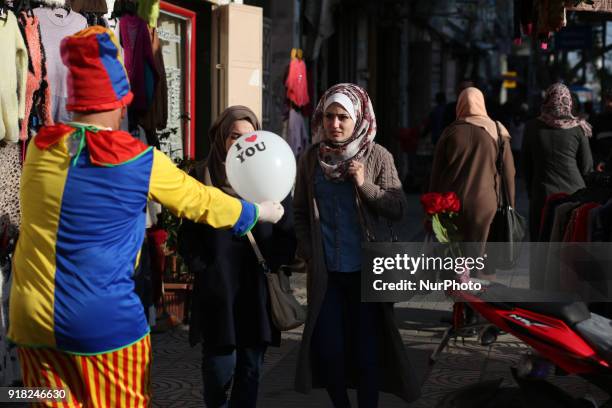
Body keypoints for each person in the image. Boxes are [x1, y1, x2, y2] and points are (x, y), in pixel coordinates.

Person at [8, 27, 284, 407]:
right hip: (105, 325)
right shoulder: (138, 158)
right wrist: (258, 211)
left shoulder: (40, 147)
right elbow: (201, 200)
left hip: (31, 321)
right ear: (120, 102)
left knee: (46, 399)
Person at [293, 83, 421, 407]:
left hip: (367, 274)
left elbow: (398, 207)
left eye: (342, 118)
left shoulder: (378, 156)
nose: (334, 125)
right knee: (330, 351)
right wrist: (309, 252)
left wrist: (364, 184)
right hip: (328, 275)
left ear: (359, 119)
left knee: (368, 354)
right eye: (328, 117)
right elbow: (299, 212)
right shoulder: (311, 159)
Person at [178, 106, 296, 408]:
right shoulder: (202, 176)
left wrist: (275, 262)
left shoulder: (270, 173)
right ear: (221, 138)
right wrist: (204, 268)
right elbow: (187, 236)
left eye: (248, 136)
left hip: (256, 291)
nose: (242, 144)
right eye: (234, 136)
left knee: (250, 370)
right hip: (219, 292)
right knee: (219, 371)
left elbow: (288, 231)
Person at [429, 87, 516, 275]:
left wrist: (430, 209)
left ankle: (458, 298)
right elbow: (509, 173)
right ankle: (477, 297)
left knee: (454, 256)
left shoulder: (449, 133)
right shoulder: (498, 131)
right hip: (485, 203)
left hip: (451, 204)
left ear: (460, 104)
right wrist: (511, 205)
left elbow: (436, 174)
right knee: (479, 255)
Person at [522, 83, 593, 241]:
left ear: (547, 99)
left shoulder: (532, 127)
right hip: (574, 196)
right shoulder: (579, 129)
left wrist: (531, 190)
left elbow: (526, 165)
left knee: (541, 243)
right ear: (568, 101)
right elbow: (587, 167)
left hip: (542, 195)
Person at [590, 89, 612, 171]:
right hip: (603, 171)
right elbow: (591, 147)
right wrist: (597, 162)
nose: (609, 104)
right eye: (607, 100)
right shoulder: (598, 121)